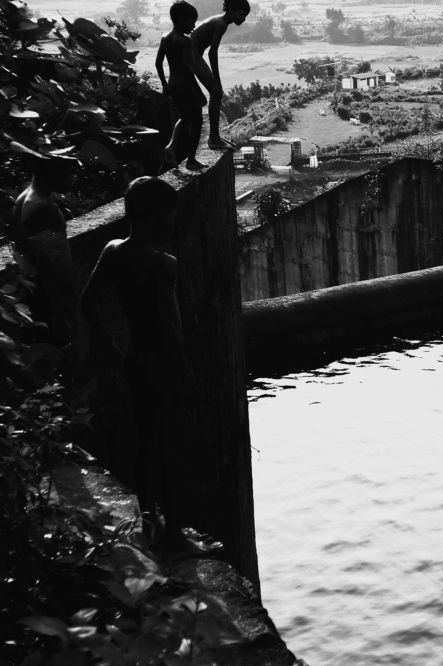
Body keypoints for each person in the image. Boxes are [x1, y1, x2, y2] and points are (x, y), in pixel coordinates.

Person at [81, 176, 188, 548]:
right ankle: (176, 536)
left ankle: (148, 523)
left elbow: (87, 302)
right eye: (168, 216)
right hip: (165, 364)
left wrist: (111, 347)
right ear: (154, 218)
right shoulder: (164, 265)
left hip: (135, 359)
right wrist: (184, 371)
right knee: (172, 449)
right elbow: (171, 327)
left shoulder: (113, 252)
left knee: (145, 446)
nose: (171, 223)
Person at [9, 151, 79, 348]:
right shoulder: (41, 209)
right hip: (47, 304)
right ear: (50, 171)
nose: (72, 177)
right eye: (67, 171)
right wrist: (58, 313)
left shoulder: (23, 200)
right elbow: (46, 267)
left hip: (35, 298)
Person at [156, 0, 213, 170]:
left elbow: (158, 64)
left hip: (173, 84)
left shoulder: (165, 38)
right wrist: (204, 89)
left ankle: (170, 147)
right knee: (196, 121)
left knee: (184, 118)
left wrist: (164, 84)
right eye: (191, 22)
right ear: (181, 20)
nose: (194, 26)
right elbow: (191, 67)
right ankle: (191, 159)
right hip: (186, 85)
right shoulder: (185, 41)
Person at [191, 0, 250, 150]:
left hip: (193, 55)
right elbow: (212, 53)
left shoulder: (220, 21)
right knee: (216, 92)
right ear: (231, 9)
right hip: (191, 55)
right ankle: (213, 138)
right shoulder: (221, 24)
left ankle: (215, 136)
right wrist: (217, 80)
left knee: (214, 93)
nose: (244, 19)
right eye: (242, 14)